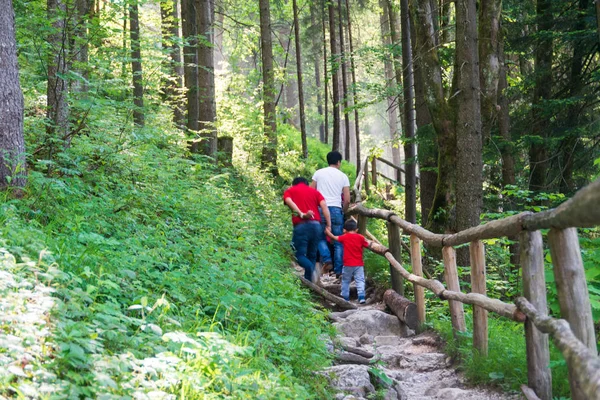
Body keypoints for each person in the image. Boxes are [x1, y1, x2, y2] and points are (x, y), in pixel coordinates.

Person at [283, 177, 331, 282]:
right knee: (312, 255)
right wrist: (329, 224)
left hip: (301, 226)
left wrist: (300, 213)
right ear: (306, 183)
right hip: (316, 226)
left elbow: (288, 200)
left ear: (293, 184)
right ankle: (309, 282)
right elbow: (324, 206)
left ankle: (310, 270)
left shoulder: (290, 190)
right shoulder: (315, 192)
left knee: (298, 255)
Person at [311, 151, 351, 277]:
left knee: (319, 237)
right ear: (338, 162)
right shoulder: (343, 176)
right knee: (339, 240)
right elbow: (348, 199)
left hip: (321, 208)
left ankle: (327, 259)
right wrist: (343, 210)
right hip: (336, 210)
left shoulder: (318, 173)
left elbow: (311, 192)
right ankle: (339, 271)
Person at [325, 219, 370, 304]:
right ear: (356, 229)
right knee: (360, 280)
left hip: (347, 264)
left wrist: (327, 232)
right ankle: (361, 296)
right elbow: (367, 244)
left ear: (344, 230)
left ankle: (345, 297)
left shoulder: (345, 237)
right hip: (359, 264)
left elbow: (335, 238)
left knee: (346, 280)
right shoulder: (360, 237)